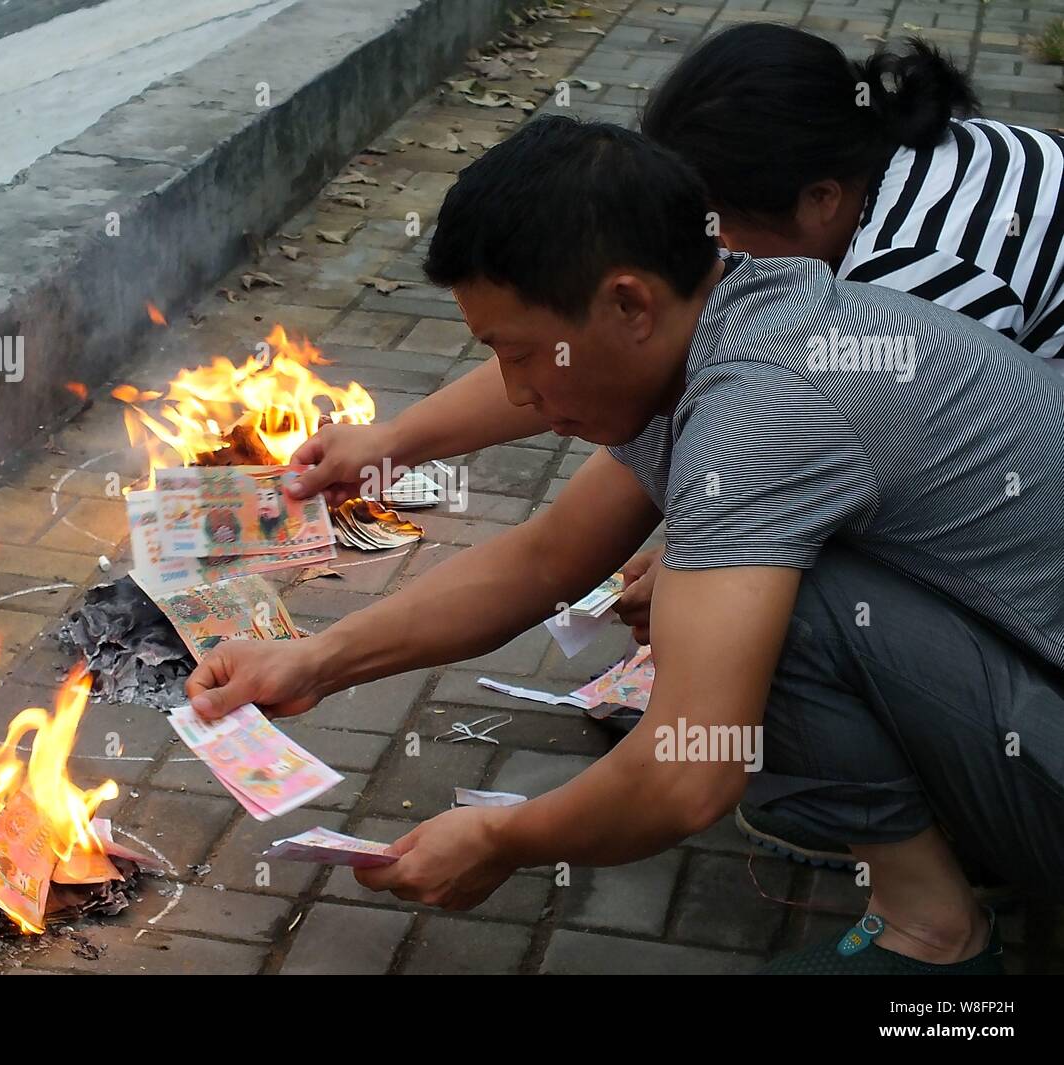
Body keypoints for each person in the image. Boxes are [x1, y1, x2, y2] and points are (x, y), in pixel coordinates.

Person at [190, 117, 1064, 973]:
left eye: (518, 353)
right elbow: (544, 560)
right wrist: (316, 661)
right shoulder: (734, 314)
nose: (518, 392)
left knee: (740, 601)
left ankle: (931, 934)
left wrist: (504, 836)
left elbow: (695, 770)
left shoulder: (762, 409)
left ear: (628, 303)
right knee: (737, 588)